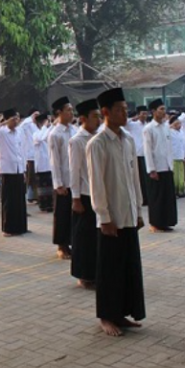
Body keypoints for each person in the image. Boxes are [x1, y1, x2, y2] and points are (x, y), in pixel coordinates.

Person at [87, 88, 145, 337]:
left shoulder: (129, 140)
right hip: (111, 218)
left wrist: (139, 209)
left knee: (128, 266)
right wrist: (104, 217)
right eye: (120, 109)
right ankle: (106, 316)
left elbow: (134, 178)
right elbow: (96, 184)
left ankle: (123, 313)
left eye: (126, 109)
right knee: (109, 269)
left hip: (129, 212)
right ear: (106, 112)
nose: (125, 113)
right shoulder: (97, 144)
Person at [68, 99, 101, 289]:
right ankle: (83, 274)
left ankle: (97, 272)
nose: (98, 120)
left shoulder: (99, 137)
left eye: (99, 116)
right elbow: (74, 171)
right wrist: (76, 198)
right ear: (83, 119)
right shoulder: (77, 141)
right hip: (84, 195)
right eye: (95, 117)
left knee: (97, 237)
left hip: (99, 195)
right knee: (84, 238)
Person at [0, 108, 28, 236]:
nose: (16, 121)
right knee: (9, 201)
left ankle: (21, 226)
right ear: (8, 119)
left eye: (17, 118)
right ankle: (8, 228)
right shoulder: (2, 133)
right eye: (13, 119)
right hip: (7, 171)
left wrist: (24, 170)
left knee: (20, 200)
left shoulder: (18, 132)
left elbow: (21, 151)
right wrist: (2, 123)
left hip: (18, 170)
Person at [143, 99, 178, 232]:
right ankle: (156, 223)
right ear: (153, 112)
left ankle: (167, 221)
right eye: (161, 109)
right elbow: (148, 150)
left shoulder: (166, 127)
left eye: (164, 109)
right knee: (157, 197)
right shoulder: (149, 129)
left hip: (167, 166)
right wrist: (152, 169)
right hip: (156, 168)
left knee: (167, 197)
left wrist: (171, 164)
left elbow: (169, 147)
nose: (164, 112)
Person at [48, 97, 74, 259]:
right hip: (63, 180)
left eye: (72, 110)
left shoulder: (74, 130)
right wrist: (58, 183)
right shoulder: (55, 134)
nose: (72, 113)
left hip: (75, 179)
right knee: (62, 214)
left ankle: (72, 243)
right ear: (59, 112)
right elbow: (54, 160)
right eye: (68, 110)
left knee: (73, 214)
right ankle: (61, 246)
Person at [126, 105, 148, 206]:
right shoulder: (133, 125)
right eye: (142, 114)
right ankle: (140, 198)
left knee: (147, 178)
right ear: (138, 114)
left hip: (146, 154)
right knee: (139, 179)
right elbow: (124, 123)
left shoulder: (147, 125)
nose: (144, 115)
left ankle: (147, 198)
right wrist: (133, 118)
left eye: (146, 113)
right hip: (137, 155)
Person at [32, 114, 54, 213]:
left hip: (49, 163)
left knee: (50, 186)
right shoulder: (36, 133)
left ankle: (51, 204)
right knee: (42, 187)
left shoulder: (49, 132)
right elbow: (42, 137)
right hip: (41, 165)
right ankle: (44, 205)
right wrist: (46, 126)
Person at [169, 115, 185, 198]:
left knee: (181, 176)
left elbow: (184, 145)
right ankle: (174, 192)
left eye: (180, 123)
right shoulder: (169, 132)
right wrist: (171, 126)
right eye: (177, 124)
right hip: (173, 157)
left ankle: (181, 191)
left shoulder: (182, 132)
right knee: (175, 176)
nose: (179, 125)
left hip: (181, 156)